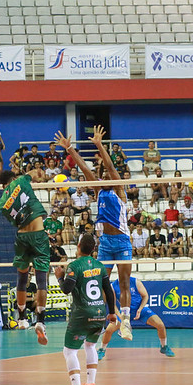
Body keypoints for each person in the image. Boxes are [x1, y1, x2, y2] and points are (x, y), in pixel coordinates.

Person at [56, 127, 134, 341]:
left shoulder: (119, 189)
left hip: (123, 242)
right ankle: (102, 317)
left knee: (125, 282)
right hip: (106, 243)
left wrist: (100, 145)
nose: (106, 175)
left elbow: (109, 165)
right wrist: (70, 148)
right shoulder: (99, 191)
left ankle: (125, 322)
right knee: (101, 282)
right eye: (103, 175)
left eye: (108, 174)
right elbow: (83, 167)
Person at [53, 233, 117, 385]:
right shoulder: (100, 265)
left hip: (82, 313)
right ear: (93, 249)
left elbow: (67, 289)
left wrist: (60, 277)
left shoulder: (75, 265)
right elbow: (109, 291)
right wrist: (111, 312)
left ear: (79, 246)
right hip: (100, 313)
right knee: (90, 346)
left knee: (69, 351)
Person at [0, 168, 50, 345]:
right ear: (13, 178)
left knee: (21, 278)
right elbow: (37, 172)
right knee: (41, 280)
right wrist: (43, 176)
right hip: (38, 234)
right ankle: (41, 320)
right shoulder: (21, 181)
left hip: (21, 237)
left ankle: (21, 318)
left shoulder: (1, 203)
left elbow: (16, 220)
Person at [98, 276, 175, 360]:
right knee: (109, 330)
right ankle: (102, 349)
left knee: (160, 324)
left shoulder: (135, 282)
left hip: (140, 309)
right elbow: (112, 303)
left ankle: (164, 346)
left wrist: (140, 309)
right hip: (124, 313)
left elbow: (145, 296)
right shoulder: (113, 286)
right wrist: (120, 317)